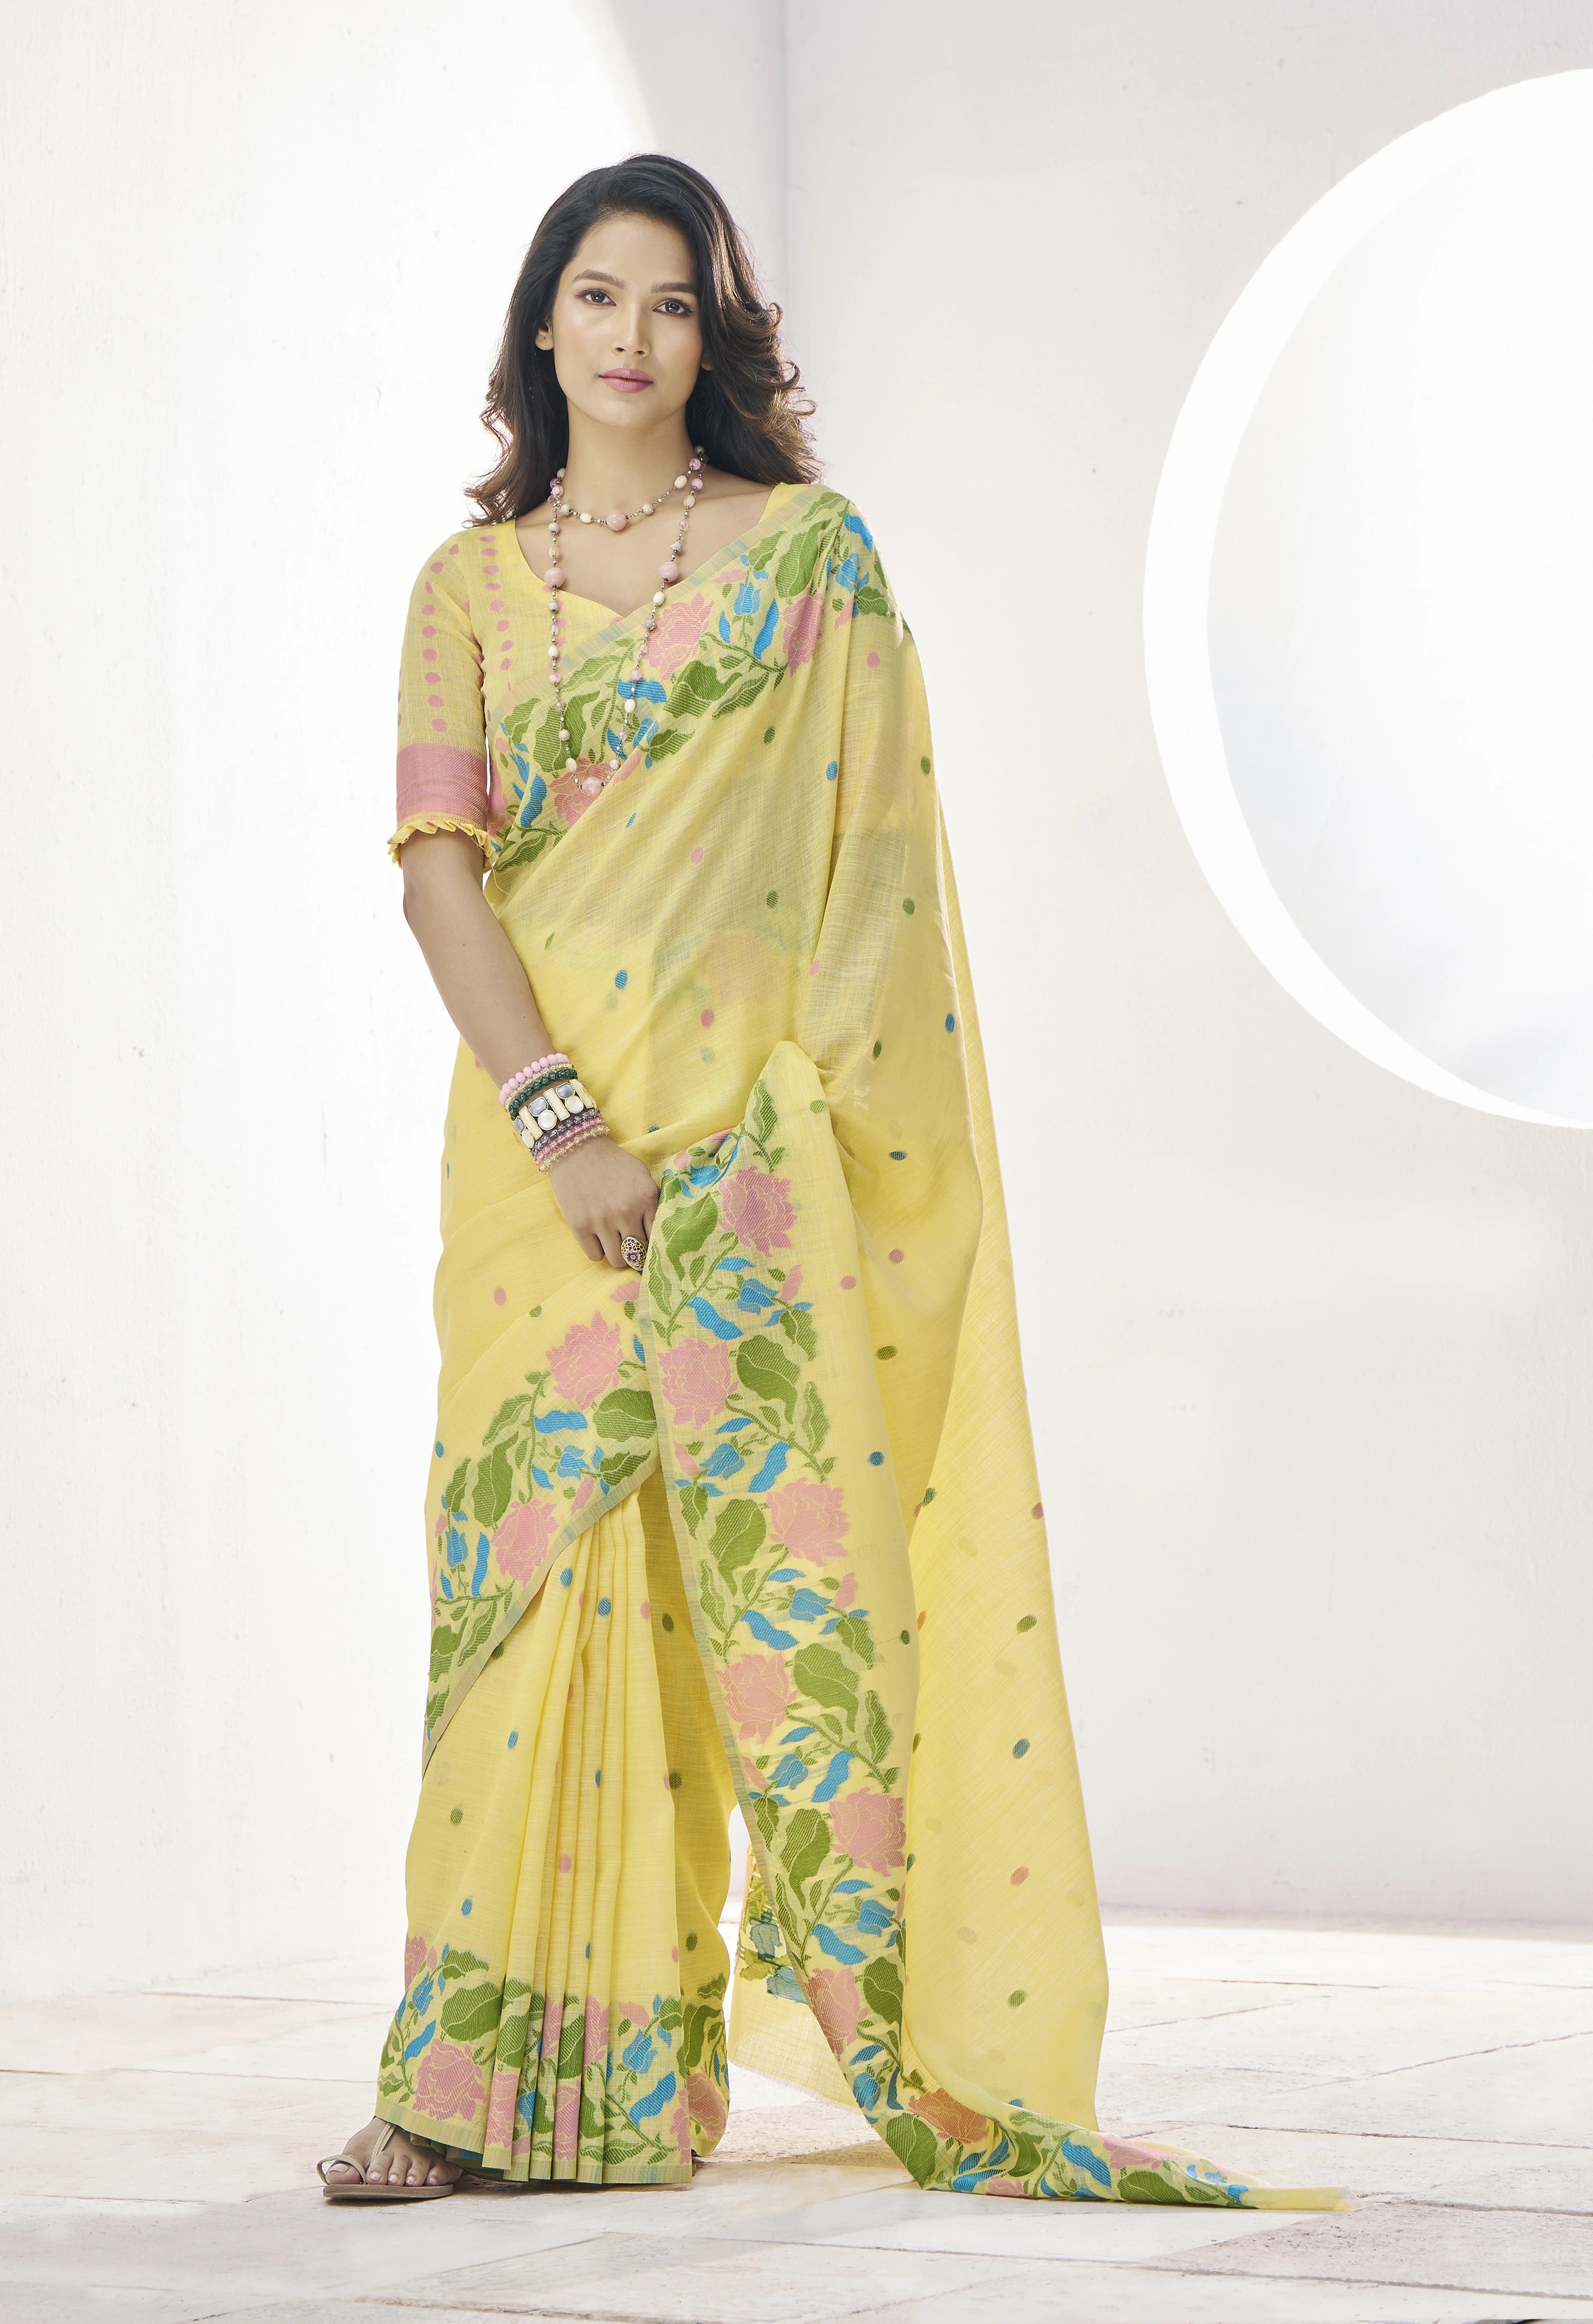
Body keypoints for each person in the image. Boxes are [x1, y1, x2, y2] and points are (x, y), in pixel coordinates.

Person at [318, 154, 1336, 2211]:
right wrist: (559, 1119)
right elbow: (442, 879)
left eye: (671, 304)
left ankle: (651, 2081)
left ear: (715, 335)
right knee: (521, 1603)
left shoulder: (810, 562)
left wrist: (747, 1138)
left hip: (752, 1173)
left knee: (741, 1618)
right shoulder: (467, 593)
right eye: (595, 297)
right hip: (541, 1172)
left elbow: (872, 910)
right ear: (542, 324)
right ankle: (462, 2085)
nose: (630, 337)